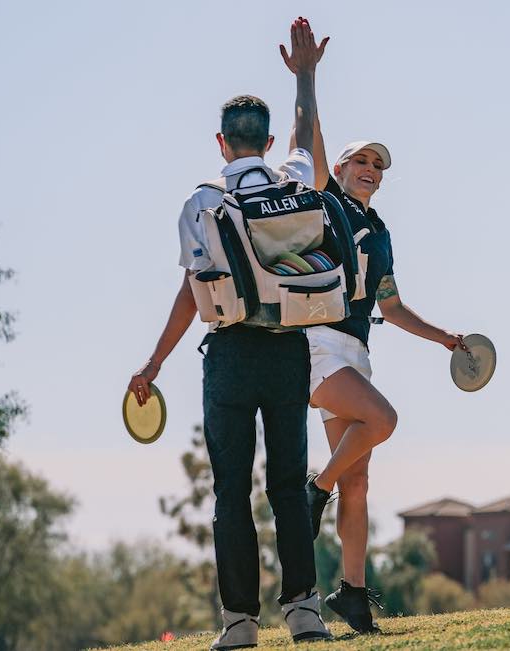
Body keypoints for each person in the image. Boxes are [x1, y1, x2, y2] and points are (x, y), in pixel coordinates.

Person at [126, 17, 332, 647]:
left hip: (231, 358)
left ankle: (240, 623)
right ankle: (304, 612)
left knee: (231, 494)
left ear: (221, 142)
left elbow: (195, 293)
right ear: (266, 142)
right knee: (289, 487)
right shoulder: (293, 181)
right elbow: (307, 141)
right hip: (289, 349)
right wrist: (305, 77)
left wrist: (155, 363)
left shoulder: (200, 204)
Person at [291, 56, 467, 633]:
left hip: (357, 351)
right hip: (318, 345)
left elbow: (389, 305)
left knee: (360, 482)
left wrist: (445, 338)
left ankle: (353, 594)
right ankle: (310, 495)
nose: (370, 168)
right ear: (339, 168)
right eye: (360, 160)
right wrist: (307, 79)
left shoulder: (382, 231)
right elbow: (310, 140)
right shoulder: (325, 202)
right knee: (384, 420)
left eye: (377, 164)